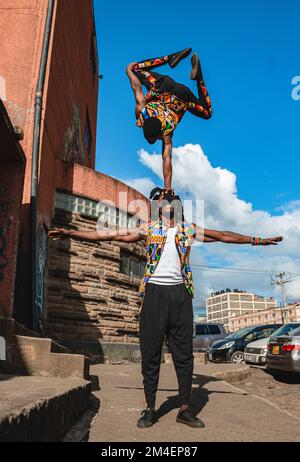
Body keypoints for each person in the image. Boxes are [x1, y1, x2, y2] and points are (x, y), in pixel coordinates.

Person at [48, 189, 283, 429]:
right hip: (154, 294)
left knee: (184, 355)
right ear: (158, 206)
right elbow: (108, 236)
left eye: (170, 198)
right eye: (161, 199)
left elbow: (223, 236)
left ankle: (184, 409)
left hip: (180, 295)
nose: (166, 201)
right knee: (150, 353)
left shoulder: (188, 229)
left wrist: (258, 240)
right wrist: (70, 233)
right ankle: (150, 408)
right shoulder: (148, 229)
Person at [126, 48, 212, 193]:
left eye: (153, 139)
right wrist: (129, 70)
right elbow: (136, 87)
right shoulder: (142, 111)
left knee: (207, 113)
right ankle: (169, 59)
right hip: (164, 85)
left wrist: (167, 187)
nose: (152, 141)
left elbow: (167, 158)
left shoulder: (167, 132)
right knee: (135, 68)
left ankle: (197, 77)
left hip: (182, 96)